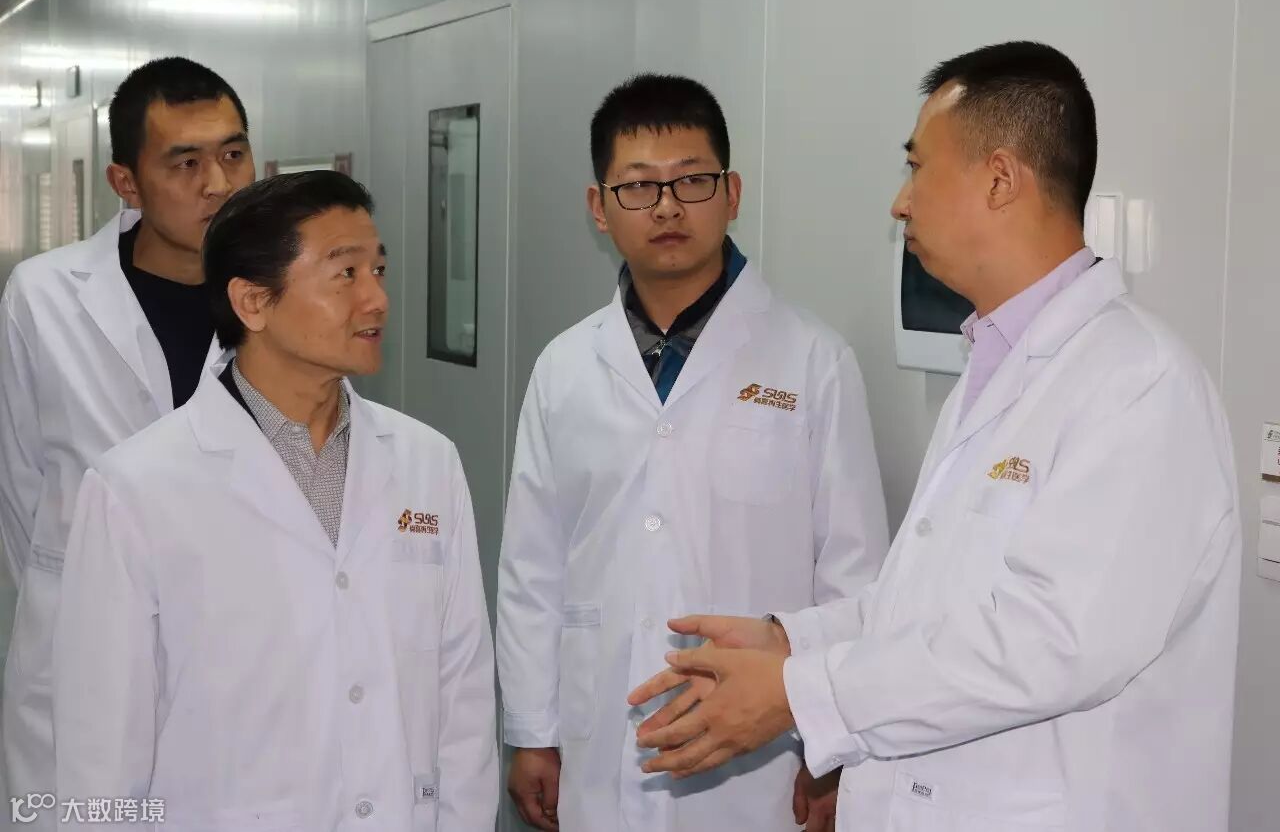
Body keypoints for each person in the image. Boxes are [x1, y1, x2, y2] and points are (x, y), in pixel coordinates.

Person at [630, 41, 1242, 832]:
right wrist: (789, 641)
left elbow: (1047, 641)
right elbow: (926, 609)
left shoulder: (1138, 383)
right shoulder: (995, 370)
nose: (900, 201)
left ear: (1000, 178)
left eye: (917, 167)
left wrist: (801, 693)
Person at [496, 73, 890, 832]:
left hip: (763, 756)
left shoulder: (813, 361)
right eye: (638, 186)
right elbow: (532, 567)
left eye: (692, 181)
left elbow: (853, 571)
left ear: (732, 193)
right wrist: (532, 730)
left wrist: (828, 744)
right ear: (599, 207)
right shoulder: (564, 368)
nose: (668, 206)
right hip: (598, 735)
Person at [51, 171, 498, 830]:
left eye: (378, 269)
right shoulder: (135, 489)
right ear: (253, 302)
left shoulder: (428, 462)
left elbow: (463, 698)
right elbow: (100, 754)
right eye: (345, 273)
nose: (376, 298)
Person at [0, 57, 255, 819]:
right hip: (78, 654)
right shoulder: (44, 297)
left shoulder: (282, 301)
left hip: (240, 650)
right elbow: (19, 493)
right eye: (185, 162)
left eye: (233, 153)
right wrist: (80, 588)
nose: (218, 183)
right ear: (126, 183)